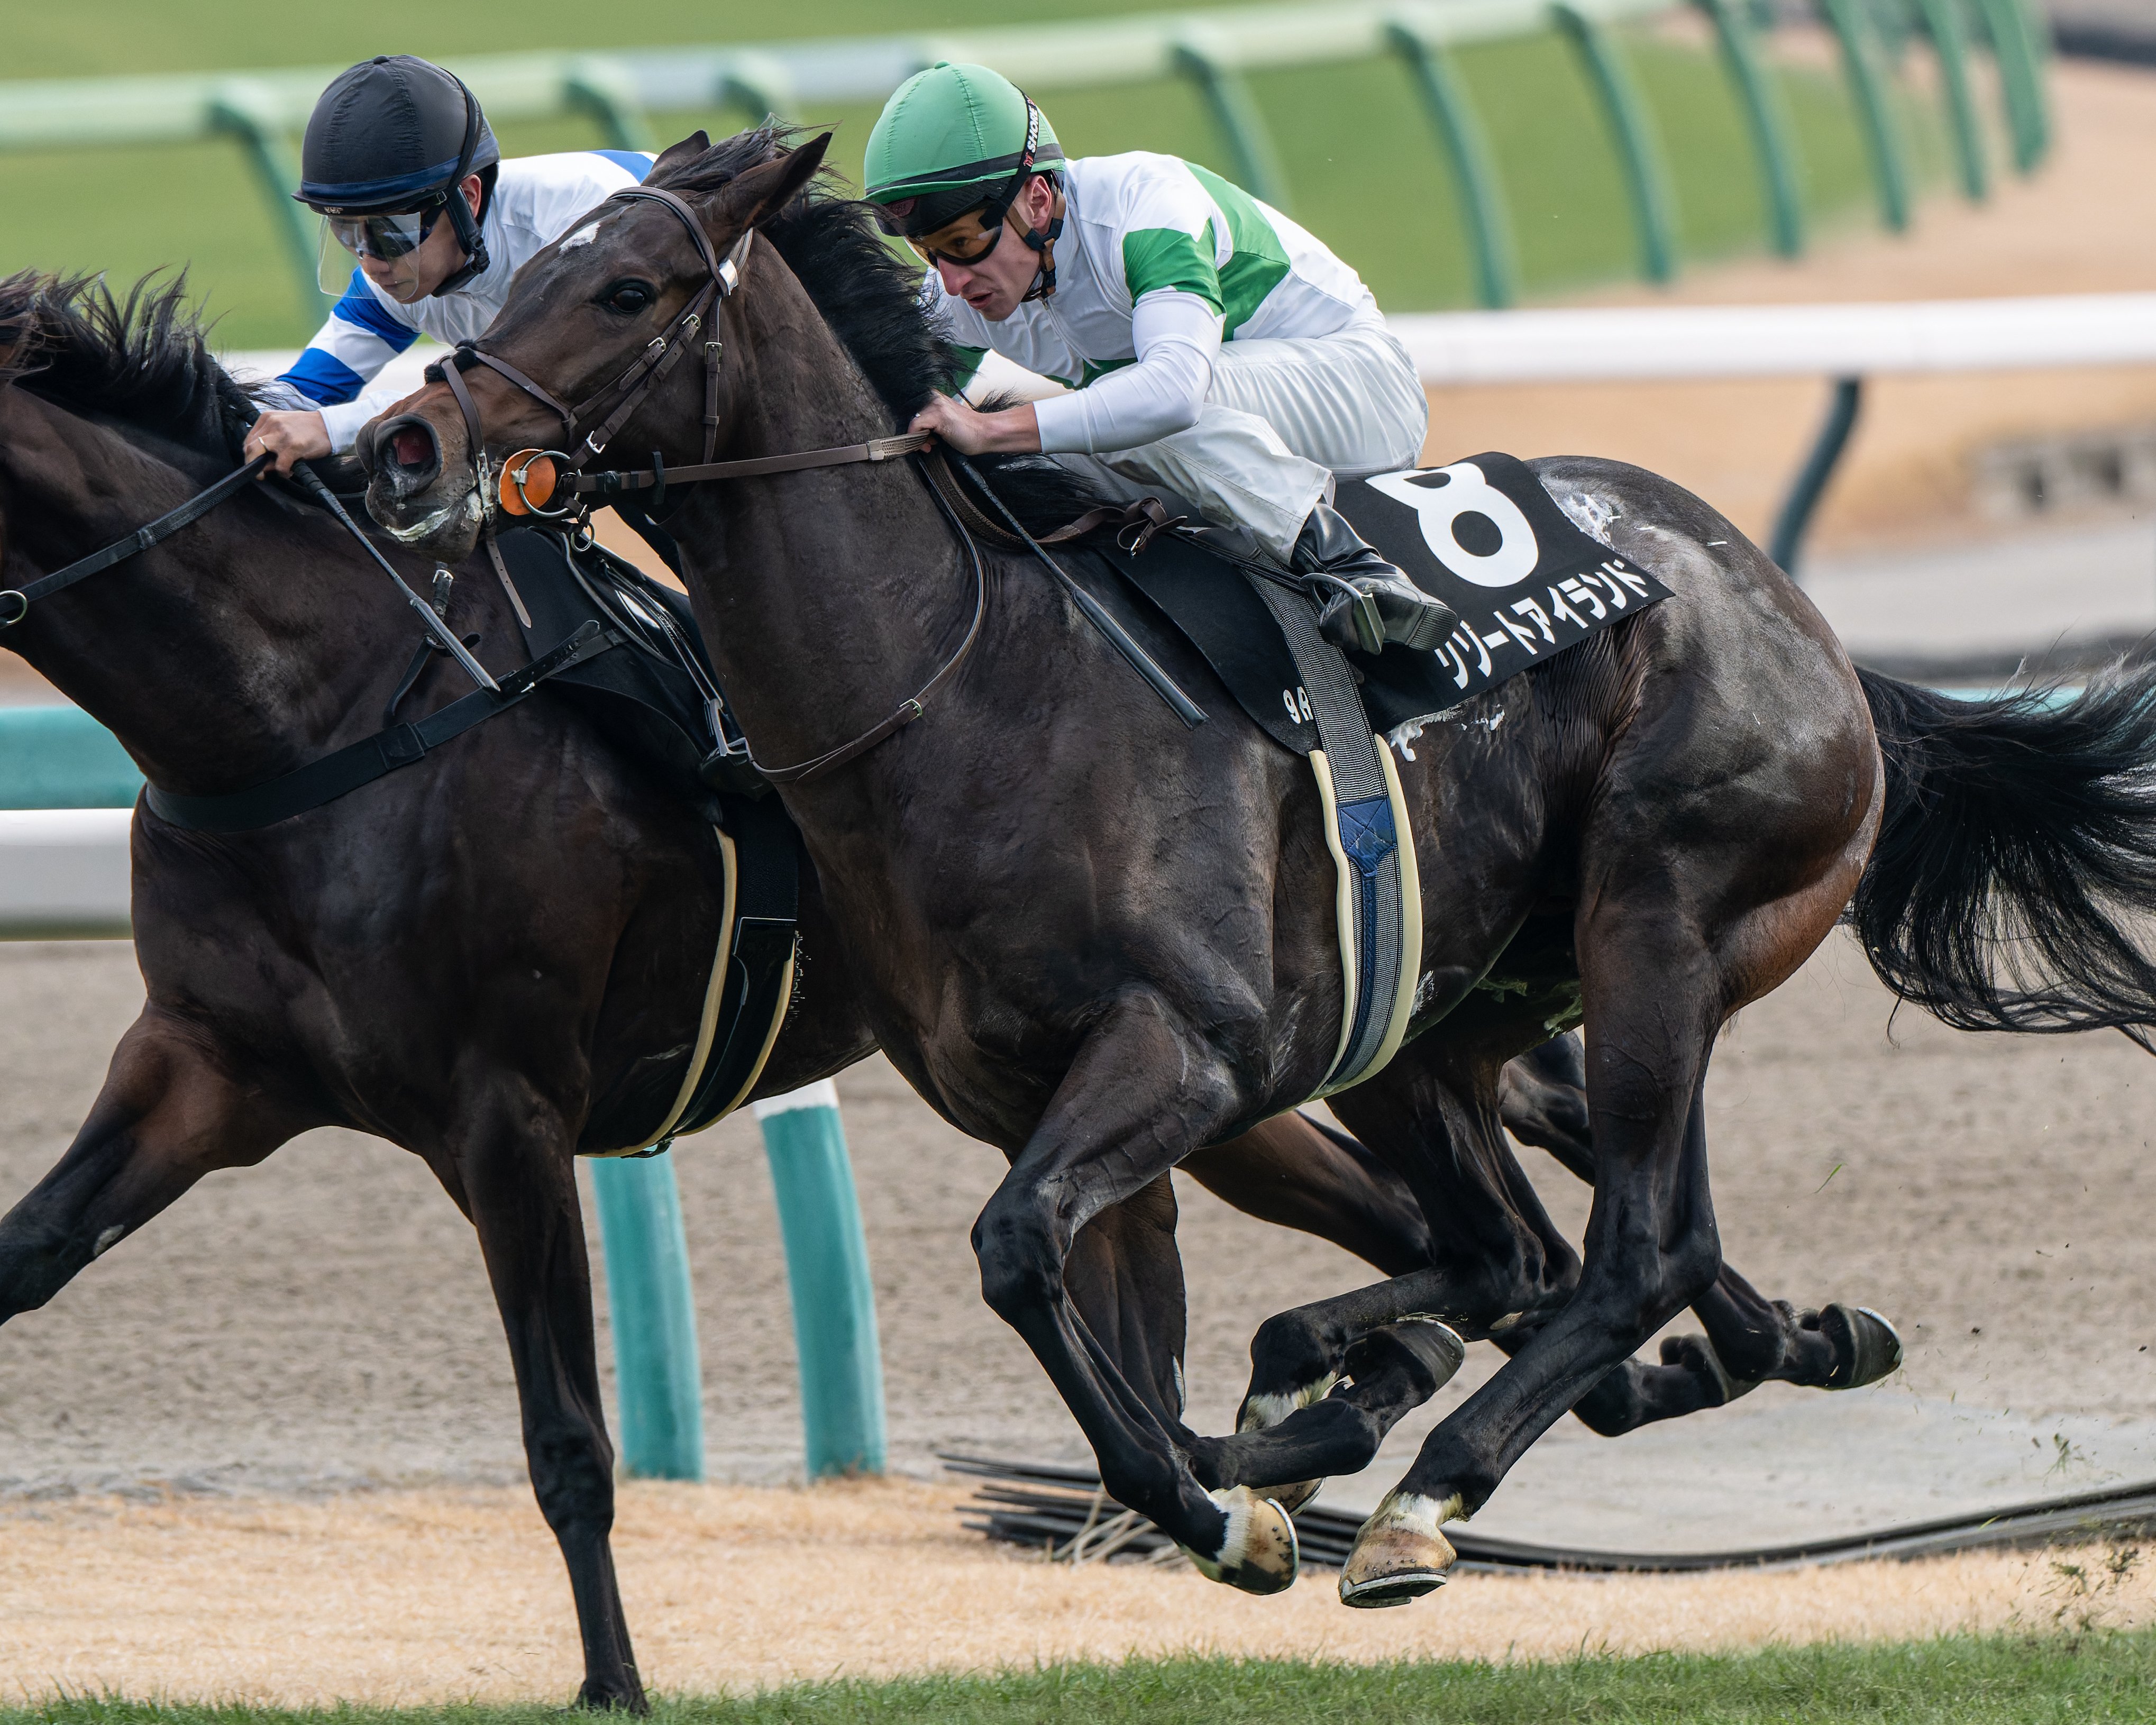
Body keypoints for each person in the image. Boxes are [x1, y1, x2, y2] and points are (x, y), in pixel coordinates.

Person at [863, 61, 1455, 656]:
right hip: (1222, 435)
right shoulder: (956, 289)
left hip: (1361, 394)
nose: (953, 281)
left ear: (1037, 202)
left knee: (1126, 415)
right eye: (929, 253)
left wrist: (990, 428)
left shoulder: (1143, 204)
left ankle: (1353, 569)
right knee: (1026, 478)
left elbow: (1170, 395)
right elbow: (906, 423)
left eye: (964, 244)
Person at [246, 55, 654, 472]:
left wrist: (331, 428)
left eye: (392, 230)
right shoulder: (398, 271)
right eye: (347, 230)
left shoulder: (575, 240)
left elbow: (509, 399)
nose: (370, 261)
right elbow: (296, 398)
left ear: (469, 198)